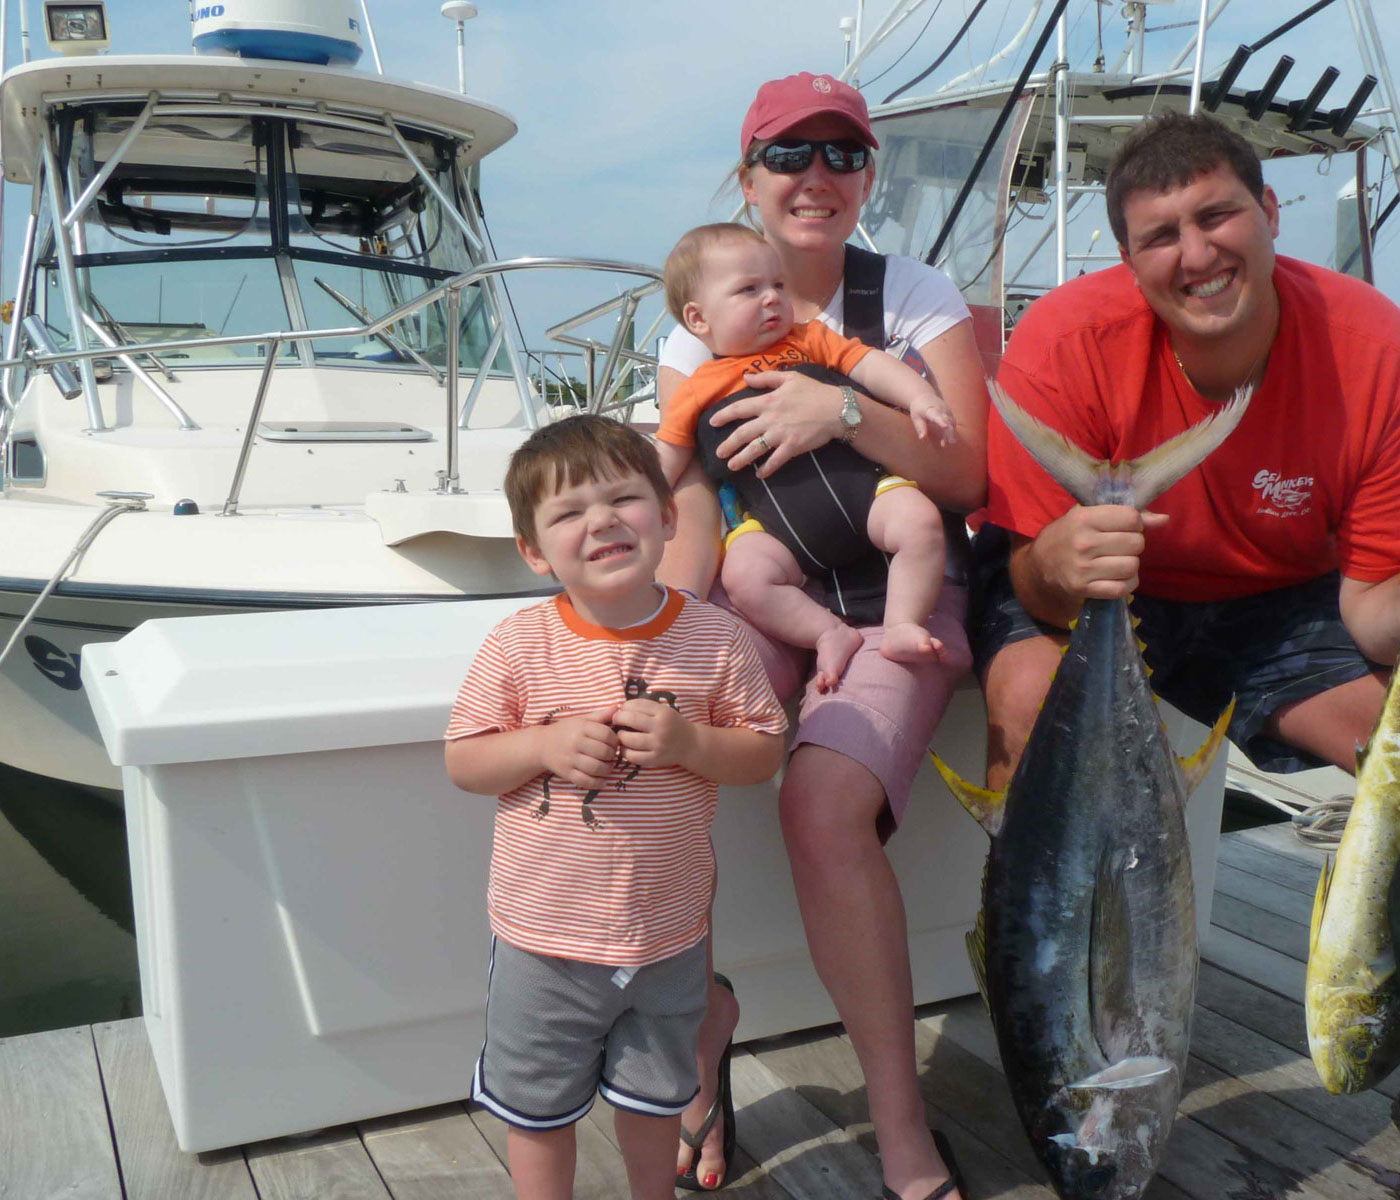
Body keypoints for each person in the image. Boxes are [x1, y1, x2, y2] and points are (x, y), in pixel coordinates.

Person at [658, 71, 986, 1200]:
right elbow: (691, 501)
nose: (815, 178)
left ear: (866, 177)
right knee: (662, 736)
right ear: (746, 176)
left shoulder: (911, 296)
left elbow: (965, 472)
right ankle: (699, 1020)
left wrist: (841, 409)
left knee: (821, 801)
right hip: (769, 590)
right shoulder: (691, 325)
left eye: (841, 154)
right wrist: (656, 627)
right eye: (787, 155)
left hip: (897, 585)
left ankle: (900, 1127)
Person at [973, 109, 1400, 795]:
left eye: (1217, 216)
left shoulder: (1377, 352)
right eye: (1163, 236)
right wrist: (1060, 560)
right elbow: (1042, 599)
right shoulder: (1065, 341)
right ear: (1127, 260)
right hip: (1101, 600)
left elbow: (1374, 615)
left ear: (1269, 210)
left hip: (1274, 598)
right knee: (1031, 705)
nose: (1197, 255)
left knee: (1392, 755)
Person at [444, 415, 787, 1200]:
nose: (599, 521)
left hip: (667, 937)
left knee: (654, 1099)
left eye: (623, 500)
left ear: (667, 518)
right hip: (542, 941)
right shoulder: (518, 643)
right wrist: (542, 747)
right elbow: (464, 760)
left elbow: (764, 748)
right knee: (536, 1111)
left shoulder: (716, 639)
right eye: (567, 514)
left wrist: (690, 744)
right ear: (533, 551)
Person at [658, 221, 957, 690]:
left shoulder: (809, 339)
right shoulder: (696, 388)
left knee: (918, 521)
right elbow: (669, 458)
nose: (772, 298)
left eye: (777, 284)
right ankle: (826, 632)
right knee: (745, 575)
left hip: (864, 493)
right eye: (748, 290)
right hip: (776, 527)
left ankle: (901, 623)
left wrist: (920, 397)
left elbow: (872, 365)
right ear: (699, 320)